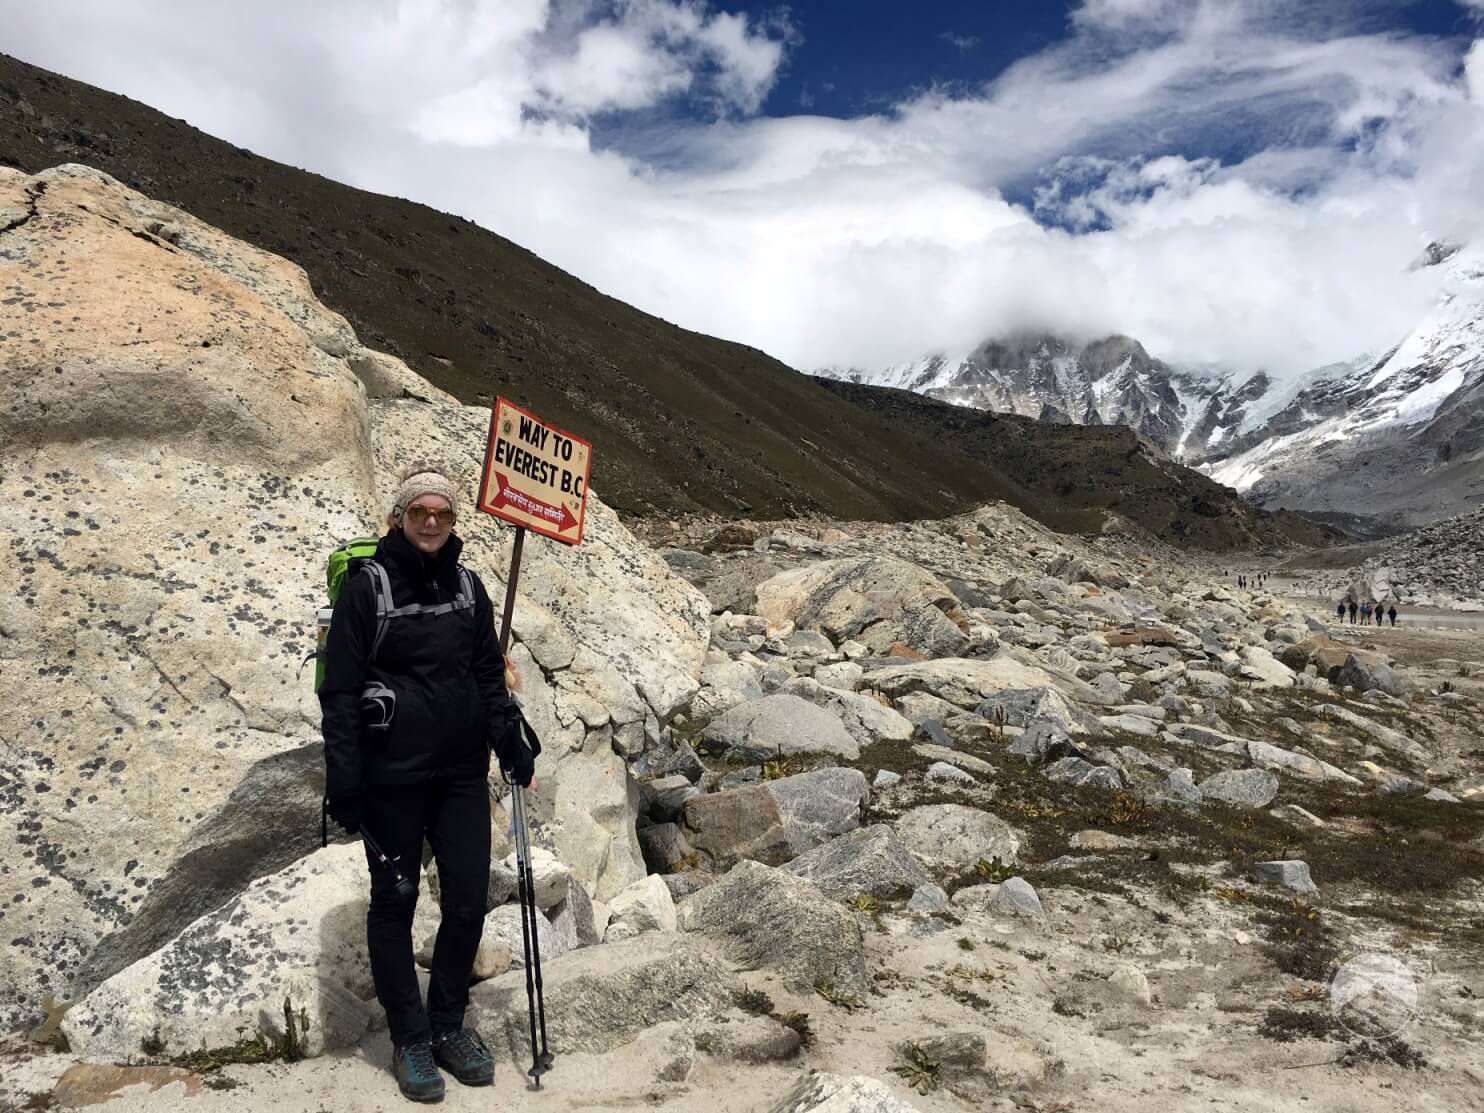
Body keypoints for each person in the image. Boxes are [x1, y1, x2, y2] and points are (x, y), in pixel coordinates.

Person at [320, 465, 534, 1104]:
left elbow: (486, 673)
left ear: (453, 520)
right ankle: (409, 1039)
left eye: (441, 513)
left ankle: (447, 1025)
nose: (432, 522)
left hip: (461, 774)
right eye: (420, 513)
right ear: (399, 518)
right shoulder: (367, 590)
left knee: (467, 901)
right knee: (396, 902)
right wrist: (346, 781)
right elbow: (340, 692)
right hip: (390, 779)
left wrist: (509, 737)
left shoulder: (469, 588)